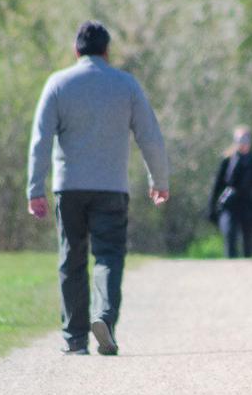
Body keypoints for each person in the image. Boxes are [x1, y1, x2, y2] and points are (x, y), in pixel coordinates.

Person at [27, 20, 170, 356]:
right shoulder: (126, 85)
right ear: (107, 51)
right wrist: (159, 180)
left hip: (69, 187)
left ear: (76, 50)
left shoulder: (58, 83)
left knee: (71, 259)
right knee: (108, 256)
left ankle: (75, 339)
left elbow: (40, 140)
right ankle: (103, 317)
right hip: (111, 187)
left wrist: (35, 189)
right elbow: (150, 136)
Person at [208, 126, 252, 259]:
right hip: (230, 205)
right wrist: (211, 208)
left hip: (249, 205)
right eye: (240, 139)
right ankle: (231, 272)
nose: (243, 143)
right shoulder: (226, 162)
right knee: (229, 236)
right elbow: (217, 186)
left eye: (246, 139)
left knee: (249, 244)